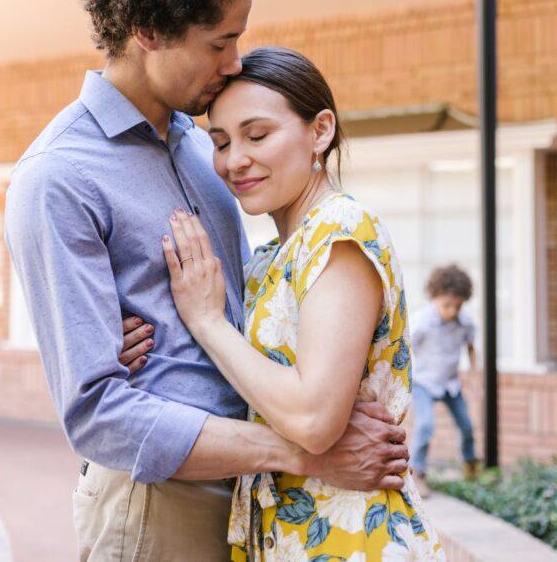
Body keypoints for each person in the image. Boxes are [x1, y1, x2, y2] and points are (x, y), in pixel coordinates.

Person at [4, 0, 409, 561]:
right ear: (149, 33)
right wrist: (303, 450)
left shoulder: (202, 146)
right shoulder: (57, 178)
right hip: (161, 504)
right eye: (219, 41)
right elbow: (97, 414)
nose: (235, 60)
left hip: (261, 492)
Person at [158, 46, 445, 559]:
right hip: (292, 535)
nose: (233, 160)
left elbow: (315, 418)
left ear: (320, 130)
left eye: (257, 134)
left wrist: (206, 320)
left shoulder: (339, 231)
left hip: (350, 535)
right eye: (220, 142)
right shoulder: (271, 257)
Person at [410, 264, 479, 493]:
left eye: (457, 306)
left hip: (450, 383)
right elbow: (405, 346)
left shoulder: (465, 323)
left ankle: (471, 467)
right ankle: (417, 473)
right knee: (425, 425)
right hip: (423, 382)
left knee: (467, 425)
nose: (452, 311)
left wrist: (473, 372)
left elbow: (470, 346)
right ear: (435, 298)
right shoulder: (422, 322)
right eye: (446, 305)